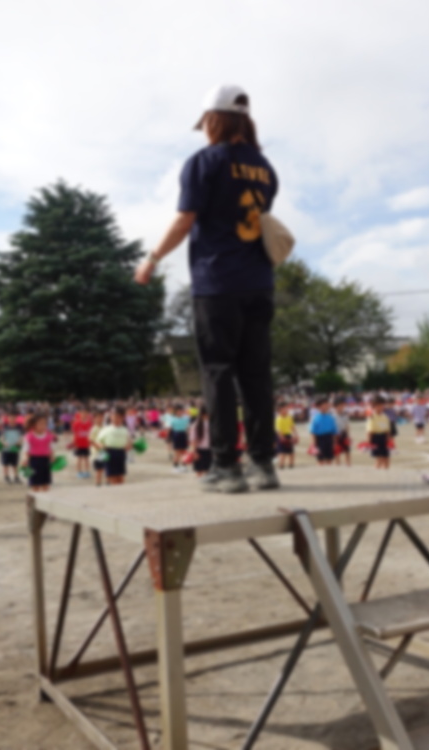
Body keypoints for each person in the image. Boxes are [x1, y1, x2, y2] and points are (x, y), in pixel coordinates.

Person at [134, 84, 279, 494]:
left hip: (218, 281)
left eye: (204, 123)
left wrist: (151, 259)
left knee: (218, 373)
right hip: (259, 281)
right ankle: (264, 465)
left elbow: (185, 220)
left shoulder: (204, 162)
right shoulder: (265, 167)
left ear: (214, 120)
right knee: (256, 376)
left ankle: (226, 467)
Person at [96, 407, 132, 486]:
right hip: (109, 452)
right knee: (112, 474)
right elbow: (98, 441)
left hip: (121, 452)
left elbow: (129, 441)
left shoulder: (124, 429)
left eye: (118, 417)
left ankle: (120, 488)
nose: (116, 418)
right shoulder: (106, 429)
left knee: (120, 474)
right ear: (110, 417)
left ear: (122, 418)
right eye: (114, 416)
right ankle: (114, 490)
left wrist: (129, 445)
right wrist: (102, 446)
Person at [23, 413, 54, 493]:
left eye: (45, 424)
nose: (43, 426)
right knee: (35, 483)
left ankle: (45, 500)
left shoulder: (48, 435)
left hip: (45, 461)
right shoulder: (29, 436)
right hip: (33, 461)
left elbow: (51, 447)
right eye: (40, 424)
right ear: (34, 425)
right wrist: (25, 459)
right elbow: (26, 449)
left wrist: (52, 457)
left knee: (45, 483)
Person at [309, 398, 337, 466]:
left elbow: (334, 431)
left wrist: (334, 442)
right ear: (318, 407)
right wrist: (314, 443)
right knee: (320, 458)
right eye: (322, 405)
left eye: (326, 405)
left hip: (329, 438)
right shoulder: (315, 418)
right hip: (320, 439)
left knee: (329, 458)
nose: (324, 407)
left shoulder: (331, 417)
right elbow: (313, 432)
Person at [367, 396, 391, 470]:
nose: (381, 407)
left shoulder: (385, 416)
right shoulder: (372, 417)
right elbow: (370, 431)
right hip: (376, 438)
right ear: (374, 406)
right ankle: (376, 474)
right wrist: (369, 442)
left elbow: (387, 430)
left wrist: (388, 440)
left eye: (382, 405)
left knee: (386, 457)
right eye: (379, 405)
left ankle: (386, 473)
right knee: (379, 458)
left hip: (384, 438)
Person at [189, 406, 212, 477]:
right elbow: (193, 441)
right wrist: (194, 452)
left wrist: (194, 452)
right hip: (206, 450)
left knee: (200, 471)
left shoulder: (195, 424)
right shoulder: (198, 425)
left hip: (202, 450)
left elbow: (193, 440)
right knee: (206, 471)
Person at [71, 408, 94, 480]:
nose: (84, 415)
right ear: (80, 414)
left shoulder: (90, 424)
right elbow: (74, 434)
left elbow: (92, 434)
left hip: (86, 444)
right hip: (79, 445)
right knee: (79, 459)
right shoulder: (76, 424)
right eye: (82, 413)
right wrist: (74, 443)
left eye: (86, 413)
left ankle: (87, 471)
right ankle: (79, 472)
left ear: (88, 415)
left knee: (87, 458)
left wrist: (91, 443)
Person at [168, 404, 191, 473]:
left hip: (183, 435)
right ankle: (175, 467)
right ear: (175, 412)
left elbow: (188, 429)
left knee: (184, 451)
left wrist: (188, 437)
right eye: (178, 411)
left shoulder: (186, 418)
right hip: (176, 435)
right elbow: (170, 429)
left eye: (181, 411)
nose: (180, 412)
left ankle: (184, 466)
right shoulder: (172, 419)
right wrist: (169, 438)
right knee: (177, 452)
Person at [274, 403, 296, 470]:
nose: (286, 410)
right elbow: (278, 429)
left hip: (288, 435)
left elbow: (292, 426)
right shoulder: (278, 419)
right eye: (284, 409)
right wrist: (282, 437)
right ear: (279, 410)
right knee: (281, 452)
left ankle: (291, 465)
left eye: (286, 408)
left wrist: (295, 434)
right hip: (281, 436)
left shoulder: (289, 417)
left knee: (291, 451)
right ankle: (281, 465)